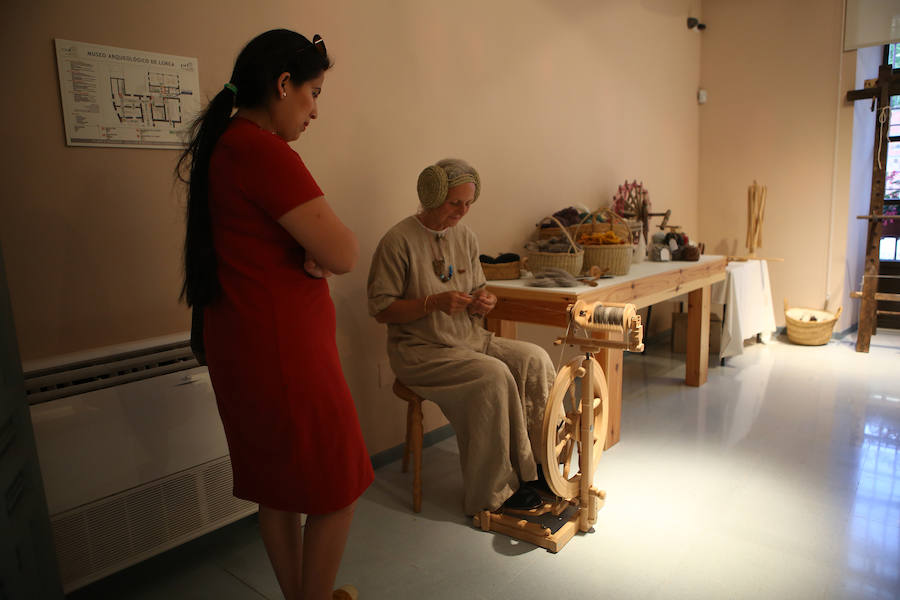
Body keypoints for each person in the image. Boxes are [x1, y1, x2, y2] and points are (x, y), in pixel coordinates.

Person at [177, 29, 372, 600]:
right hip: (285, 356)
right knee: (337, 489)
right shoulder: (262, 151)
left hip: (245, 345)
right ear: (284, 84)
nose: (315, 111)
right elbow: (345, 252)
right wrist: (322, 253)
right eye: (314, 93)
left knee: (279, 490)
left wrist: (310, 252)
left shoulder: (224, 147)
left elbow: (264, 246)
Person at [367, 158, 555, 515]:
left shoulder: (465, 236)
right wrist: (431, 303)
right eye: (455, 203)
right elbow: (381, 310)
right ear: (431, 195)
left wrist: (485, 301)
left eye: (468, 203)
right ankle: (495, 491)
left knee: (535, 359)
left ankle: (538, 468)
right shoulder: (398, 241)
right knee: (493, 376)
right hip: (420, 351)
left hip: (469, 339)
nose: (463, 211)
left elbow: (478, 289)